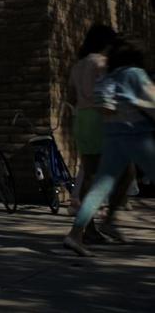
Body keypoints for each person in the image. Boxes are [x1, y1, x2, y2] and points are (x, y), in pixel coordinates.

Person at [64, 38, 155, 256]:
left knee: (99, 187)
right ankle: (105, 223)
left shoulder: (109, 77)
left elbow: (101, 104)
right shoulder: (135, 74)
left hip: (113, 137)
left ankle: (76, 234)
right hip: (137, 135)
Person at [67, 24, 133, 239]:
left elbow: (71, 98)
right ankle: (106, 221)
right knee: (127, 171)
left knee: (89, 174)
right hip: (100, 119)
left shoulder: (77, 66)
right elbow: (108, 97)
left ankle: (90, 229)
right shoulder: (102, 63)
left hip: (81, 119)